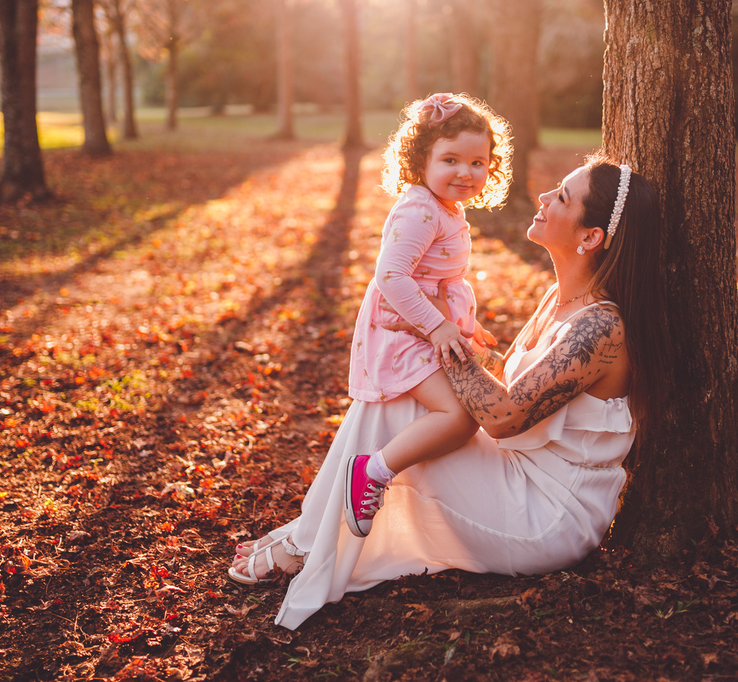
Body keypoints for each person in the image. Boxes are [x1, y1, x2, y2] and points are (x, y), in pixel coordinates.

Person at [232, 156, 669, 631]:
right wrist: (439, 327)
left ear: (590, 238)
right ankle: (312, 535)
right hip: (519, 469)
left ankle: (311, 541)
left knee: (406, 396)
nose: (543, 198)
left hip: (550, 512)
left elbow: (502, 416)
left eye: (561, 197)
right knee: (409, 396)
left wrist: (436, 331)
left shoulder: (602, 326)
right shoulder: (561, 299)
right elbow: (510, 391)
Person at [229, 93, 512, 583]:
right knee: (459, 416)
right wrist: (440, 326)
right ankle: (372, 471)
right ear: (419, 159)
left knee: (463, 409)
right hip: (400, 332)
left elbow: (440, 279)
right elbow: (394, 278)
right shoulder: (421, 211)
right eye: (450, 160)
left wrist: (464, 323)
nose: (466, 172)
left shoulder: (445, 207)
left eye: (477, 162)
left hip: (419, 325)